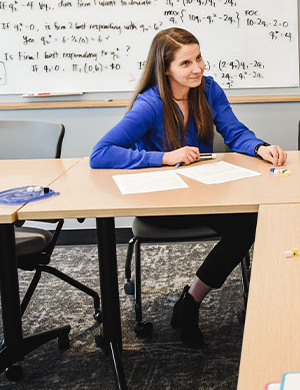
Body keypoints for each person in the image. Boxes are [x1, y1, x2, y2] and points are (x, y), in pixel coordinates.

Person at [90, 27, 286, 348]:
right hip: (162, 204)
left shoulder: (208, 90)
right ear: (165, 68)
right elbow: (101, 153)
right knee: (243, 225)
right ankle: (188, 305)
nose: (197, 68)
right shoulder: (150, 104)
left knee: (249, 222)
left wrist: (259, 147)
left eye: (198, 58)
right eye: (185, 63)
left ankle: (191, 300)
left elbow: (234, 131)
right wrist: (165, 157)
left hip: (203, 196)